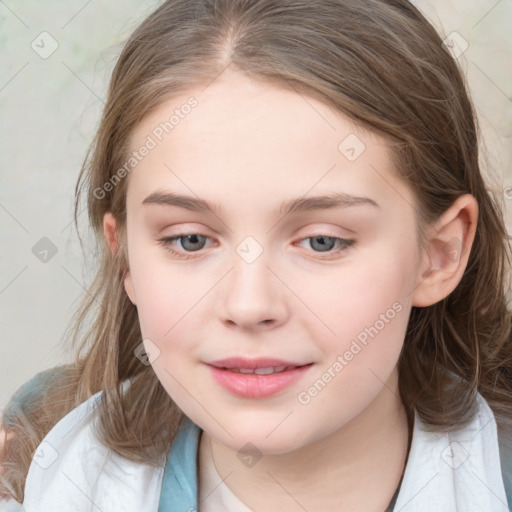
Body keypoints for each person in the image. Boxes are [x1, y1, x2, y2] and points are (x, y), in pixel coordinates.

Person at [1, 0, 512, 510]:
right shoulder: (36, 471)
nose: (248, 305)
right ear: (126, 257)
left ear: (440, 254)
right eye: (190, 240)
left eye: (322, 241)